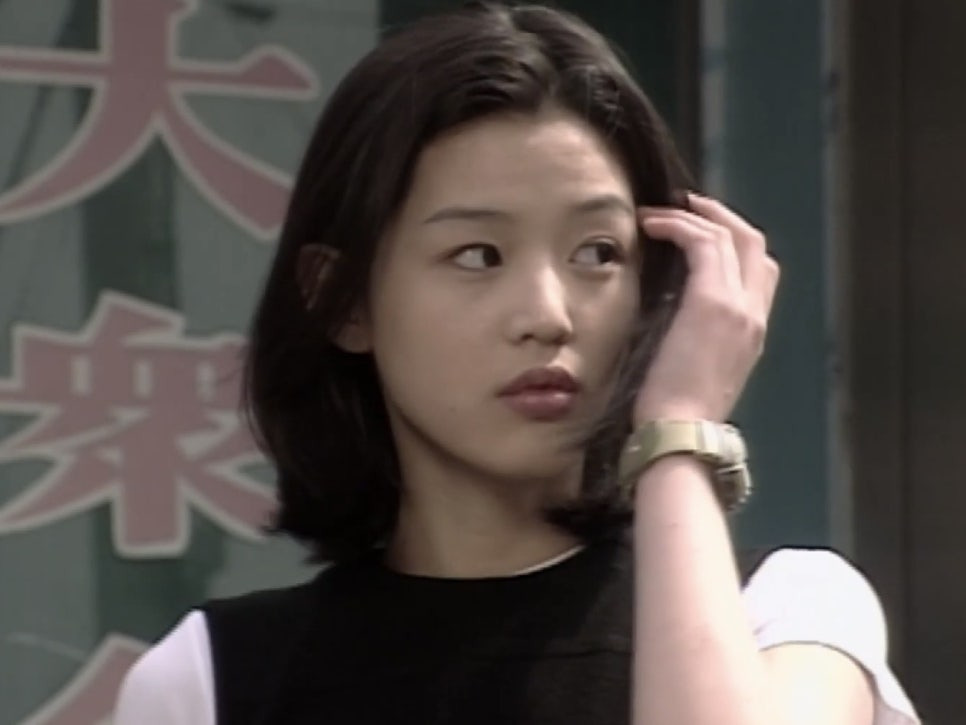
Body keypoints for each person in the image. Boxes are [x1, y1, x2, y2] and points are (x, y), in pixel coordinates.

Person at [115, 3, 921, 724]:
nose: (548, 314)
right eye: (478, 254)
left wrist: (678, 435)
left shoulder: (786, 613)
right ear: (343, 299)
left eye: (597, 253)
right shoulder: (211, 681)